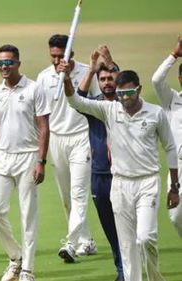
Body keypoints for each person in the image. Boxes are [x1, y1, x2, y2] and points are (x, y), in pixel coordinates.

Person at [64, 65, 180, 281]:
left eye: (129, 93)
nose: (125, 98)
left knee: (145, 238)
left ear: (139, 89)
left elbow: (170, 148)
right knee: (127, 248)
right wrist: (66, 79)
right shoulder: (109, 110)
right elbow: (76, 102)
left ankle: (155, 278)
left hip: (147, 182)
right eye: (120, 94)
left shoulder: (155, 113)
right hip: (120, 184)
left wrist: (174, 187)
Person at [0, 45, 50, 281]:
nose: (4, 67)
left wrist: (41, 161)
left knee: (28, 214)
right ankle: (15, 257)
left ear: (18, 63)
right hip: (3, 157)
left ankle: (27, 269)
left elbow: (43, 127)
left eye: (8, 62)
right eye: (0, 63)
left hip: (28, 156)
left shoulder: (33, 89)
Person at [36, 34, 99, 262]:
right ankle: (86, 240)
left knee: (79, 192)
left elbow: (98, 103)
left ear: (70, 53)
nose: (55, 60)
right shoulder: (44, 78)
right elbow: (40, 116)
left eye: (60, 55)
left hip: (82, 137)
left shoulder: (86, 72)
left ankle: (70, 244)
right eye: (52, 56)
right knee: (67, 196)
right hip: (57, 139)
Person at [76, 46, 124, 280]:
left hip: (123, 175)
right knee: (110, 227)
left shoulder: (127, 104)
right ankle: (121, 269)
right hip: (100, 175)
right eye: (102, 78)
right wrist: (92, 68)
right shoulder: (93, 106)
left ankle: (131, 269)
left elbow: (126, 86)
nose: (106, 82)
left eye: (110, 78)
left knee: (128, 226)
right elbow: (77, 99)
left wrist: (111, 61)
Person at [152, 36, 182, 238]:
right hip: (178, 166)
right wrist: (174, 55)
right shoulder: (172, 100)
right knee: (175, 217)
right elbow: (156, 80)